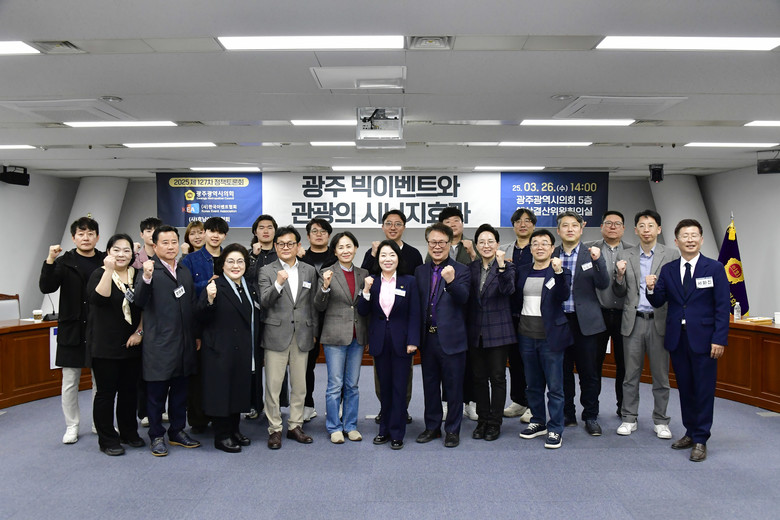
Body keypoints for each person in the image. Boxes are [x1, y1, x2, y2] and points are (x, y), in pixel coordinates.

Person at [646, 219, 729, 462]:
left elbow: (722, 307)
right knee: (685, 389)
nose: (690, 240)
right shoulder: (669, 269)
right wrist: (650, 288)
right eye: (685, 236)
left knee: (703, 389)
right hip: (677, 339)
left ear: (701, 239)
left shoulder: (714, 268)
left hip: (705, 340)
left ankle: (701, 438)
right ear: (676, 241)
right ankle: (690, 432)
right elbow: (659, 301)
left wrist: (719, 339)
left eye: (694, 235)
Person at [134, 225, 201, 456]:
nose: (171, 247)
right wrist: (146, 277)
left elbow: (192, 305)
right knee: (156, 395)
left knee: (180, 393)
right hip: (159, 345)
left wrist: (196, 335)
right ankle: (156, 435)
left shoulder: (183, 270)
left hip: (184, 343)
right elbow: (139, 301)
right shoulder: (148, 270)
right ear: (154, 246)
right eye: (165, 242)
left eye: (174, 242)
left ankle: (177, 431)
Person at [39, 216, 105, 444]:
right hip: (72, 328)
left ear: (97, 237)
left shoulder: (105, 260)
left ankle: (99, 423)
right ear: (73, 237)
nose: (86, 238)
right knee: (70, 382)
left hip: (99, 329)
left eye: (90, 234)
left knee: (101, 382)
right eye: (81, 234)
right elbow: (46, 286)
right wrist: (50, 259)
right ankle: (72, 426)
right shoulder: (64, 261)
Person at [613, 210, 679, 438]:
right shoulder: (625, 254)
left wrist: (657, 286)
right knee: (630, 375)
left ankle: (661, 420)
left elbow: (676, 289)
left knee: (661, 376)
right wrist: (619, 276)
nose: (646, 230)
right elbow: (619, 291)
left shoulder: (671, 255)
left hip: (659, 321)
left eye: (651, 226)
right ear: (635, 230)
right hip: (633, 322)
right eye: (642, 226)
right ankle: (629, 418)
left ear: (658, 229)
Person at [258, 225, 319, 449]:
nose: (286, 247)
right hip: (276, 334)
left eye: (290, 243)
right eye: (281, 244)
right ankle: (274, 428)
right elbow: (264, 301)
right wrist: (278, 283)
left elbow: (313, 304)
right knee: (273, 386)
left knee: (300, 385)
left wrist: (313, 332)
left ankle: (295, 425)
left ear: (298, 246)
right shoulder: (266, 271)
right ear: (275, 246)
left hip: (302, 334)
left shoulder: (309, 270)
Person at [361, 209, 423, 424]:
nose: (393, 227)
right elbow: (364, 277)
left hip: (402, 325)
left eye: (398, 223)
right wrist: (373, 254)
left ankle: (402, 409)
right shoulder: (373, 252)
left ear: (404, 227)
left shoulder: (413, 253)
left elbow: (416, 290)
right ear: (382, 227)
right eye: (388, 223)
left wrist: (413, 337)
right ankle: (385, 408)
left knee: (404, 374)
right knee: (382, 374)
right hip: (379, 325)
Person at [197, 244, 259, 453]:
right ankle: (222, 435)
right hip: (220, 349)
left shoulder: (248, 286)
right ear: (222, 265)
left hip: (241, 349)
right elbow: (200, 316)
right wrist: (209, 299)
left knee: (238, 390)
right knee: (222, 393)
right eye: (230, 261)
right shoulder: (215, 286)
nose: (235, 266)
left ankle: (234, 430)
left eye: (240, 261)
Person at [86, 233, 144, 456]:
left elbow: (145, 306)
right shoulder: (99, 273)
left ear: (132, 254)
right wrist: (109, 270)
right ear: (108, 252)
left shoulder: (137, 275)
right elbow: (98, 299)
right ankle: (107, 439)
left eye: (126, 250)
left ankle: (129, 432)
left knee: (129, 392)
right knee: (106, 394)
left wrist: (139, 332)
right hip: (105, 346)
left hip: (132, 343)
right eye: (116, 250)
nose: (121, 254)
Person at [415, 223, 471, 448]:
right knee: (430, 386)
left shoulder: (462, 270)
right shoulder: (420, 271)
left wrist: (451, 281)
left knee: (454, 387)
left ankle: (453, 430)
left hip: (452, 339)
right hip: (427, 339)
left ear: (450, 243)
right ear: (428, 244)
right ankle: (432, 427)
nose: (437, 247)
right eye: (433, 242)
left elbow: (464, 298)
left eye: (441, 242)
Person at [515, 229, 572, 449]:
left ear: (552, 248)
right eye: (535, 243)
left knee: (555, 387)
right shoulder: (522, 271)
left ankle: (555, 427)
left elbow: (563, 295)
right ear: (530, 248)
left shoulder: (560, 271)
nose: (539, 247)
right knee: (533, 384)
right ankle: (538, 421)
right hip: (526, 336)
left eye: (544, 243)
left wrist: (558, 273)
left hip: (550, 337)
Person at [554, 211, 610, 436]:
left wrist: (598, 261)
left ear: (581, 228)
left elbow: (604, 283)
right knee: (563, 372)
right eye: (565, 225)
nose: (570, 229)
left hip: (586, 323)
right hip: (560, 322)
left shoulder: (591, 253)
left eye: (574, 225)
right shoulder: (552, 253)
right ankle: (567, 413)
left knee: (589, 372)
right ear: (558, 230)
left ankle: (591, 416)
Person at [314, 231, 369, 444]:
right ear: (335, 251)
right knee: (335, 385)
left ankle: (350, 425)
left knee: (352, 385)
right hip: (334, 337)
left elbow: (364, 306)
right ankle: (334, 427)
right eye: (341, 247)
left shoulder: (364, 274)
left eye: (349, 246)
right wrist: (325, 287)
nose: (345, 250)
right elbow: (319, 305)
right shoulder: (326, 273)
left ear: (355, 249)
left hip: (357, 336)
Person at [466, 224, 515, 441]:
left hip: (499, 331)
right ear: (476, 246)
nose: (486, 245)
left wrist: (502, 266)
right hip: (475, 331)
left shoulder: (508, 267)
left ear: (497, 244)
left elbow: (508, 290)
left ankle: (495, 422)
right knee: (478, 378)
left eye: (490, 242)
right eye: (482, 242)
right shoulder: (471, 268)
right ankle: (483, 419)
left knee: (497, 377)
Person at [181, 216, 229, 433]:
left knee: (222, 375)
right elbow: (185, 290)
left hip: (225, 325)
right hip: (200, 326)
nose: (215, 235)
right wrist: (207, 284)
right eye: (211, 231)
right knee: (198, 376)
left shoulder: (231, 257)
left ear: (224, 235)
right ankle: (198, 420)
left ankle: (221, 416)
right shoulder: (190, 260)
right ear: (205, 233)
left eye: (220, 232)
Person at [590, 210, 633, 417]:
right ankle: (592, 409)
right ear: (601, 227)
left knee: (624, 364)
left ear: (623, 228)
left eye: (617, 223)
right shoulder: (589, 249)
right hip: (598, 313)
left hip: (625, 315)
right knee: (594, 363)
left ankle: (623, 407)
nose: (613, 227)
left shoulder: (632, 252)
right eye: (608, 223)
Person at [499, 208, 536, 422]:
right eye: (518, 221)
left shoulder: (539, 248)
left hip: (532, 313)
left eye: (527, 221)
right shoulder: (504, 250)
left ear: (533, 225)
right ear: (513, 225)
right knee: (514, 360)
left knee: (531, 360)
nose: (523, 224)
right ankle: (519, 401)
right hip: (509, 313)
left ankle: (533, 404)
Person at [299, 217, 338, 423]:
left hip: (333, 317)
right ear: (308, 236)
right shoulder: (300, 258)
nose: (319, 234)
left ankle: (337, 406)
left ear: (329, 235)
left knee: (337, 367)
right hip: (308, 319)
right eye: (314, 231)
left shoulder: (338, 257)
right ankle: (307, 405)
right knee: (307, 366)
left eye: (323, 231)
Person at [245, 214, 283, 420]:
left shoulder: (281, 253)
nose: (266, 231)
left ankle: (278, 405)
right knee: (254, 361)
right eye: (261, 227)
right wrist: (253, 256)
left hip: (277, 313)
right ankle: (254, 404)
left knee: (278, 362)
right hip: (253, 314)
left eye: (270, 227)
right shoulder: (248, 254)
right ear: (255, 232)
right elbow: (244, 277)